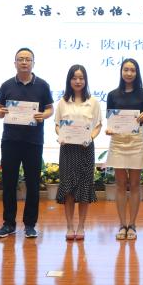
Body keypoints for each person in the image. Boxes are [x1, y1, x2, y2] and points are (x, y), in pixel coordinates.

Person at [0, 47, 54, 239]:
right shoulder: (6, 85)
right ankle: (8, 223)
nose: (24, 62)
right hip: (10, 140)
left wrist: (43, 115)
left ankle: (30, 224)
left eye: (28, 59)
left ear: (33, 63)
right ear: (15, 63)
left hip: (33, 142)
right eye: (21, 59)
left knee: (33, 183)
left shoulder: (42, 85)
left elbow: (50, 109)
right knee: (9, 183)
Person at [54, 64, 103, 241]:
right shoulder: (62, 102)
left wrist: (90, 137)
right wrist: (61, 136)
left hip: (85, 149)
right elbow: (57, 125)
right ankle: (69, 226)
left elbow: (98, 125)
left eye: (81, 78)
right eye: (74, 78)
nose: (78, 81)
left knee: (84, 189)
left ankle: (81, 226)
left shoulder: (93, 102)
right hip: (67, 149)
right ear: (69, 80)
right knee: (68, 189)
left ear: (85, 80)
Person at [105, 58, 143, 240]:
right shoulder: (112, 94)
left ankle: (132, 224)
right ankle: (122, 224)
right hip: (118, 141)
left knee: (134, 184)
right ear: (121, 71)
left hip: (136, 141)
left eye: (132, 70)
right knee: (120, 184)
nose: (129, 73)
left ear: (137, 73)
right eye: (126, 69)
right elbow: (110, 119)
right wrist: (109, 129)